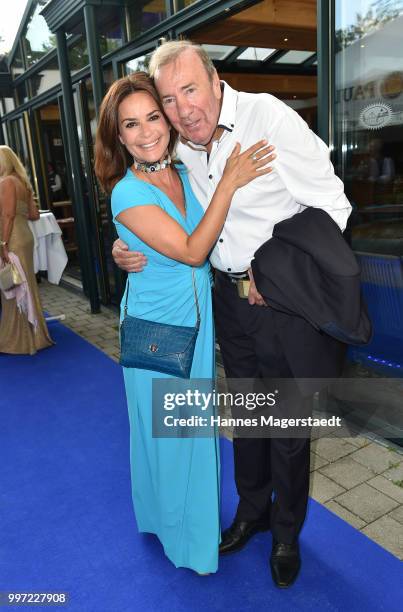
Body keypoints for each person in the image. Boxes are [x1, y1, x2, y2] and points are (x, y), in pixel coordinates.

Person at [112, 40, 353, 588]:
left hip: (280, 302)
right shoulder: (180, 147)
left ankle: (287, 532)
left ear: (216, 80)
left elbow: (332, 205)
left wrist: (282, 275)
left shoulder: (267, 117)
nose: (182, 110)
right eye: (169, 100)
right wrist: (121, 248)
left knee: (287, 424)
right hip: (226, 301)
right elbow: (160, 215)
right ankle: (252, 512)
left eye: (190, 90)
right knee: (248, 419)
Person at [94, 71, 274, 575]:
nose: (146, 131)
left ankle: (166, 516)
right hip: (159, 333)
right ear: (118, 136)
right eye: (130, 124)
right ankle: (182, 540)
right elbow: (195, 251)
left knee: (189, 432)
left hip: (198, 326)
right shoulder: (127, 194)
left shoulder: (185, 167)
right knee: (170, 436)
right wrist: (233, 181)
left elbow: (220, 231)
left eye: (153, 116)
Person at [0, 146, 53, 355]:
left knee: (13, 288)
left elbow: (7, 216)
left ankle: (19, 340)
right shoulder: (22, 183)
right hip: (24, 238)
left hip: (11, 239)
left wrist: (2, 244)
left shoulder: (6, 183)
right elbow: (33, 215)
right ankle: (35, 336)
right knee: (26, 285)